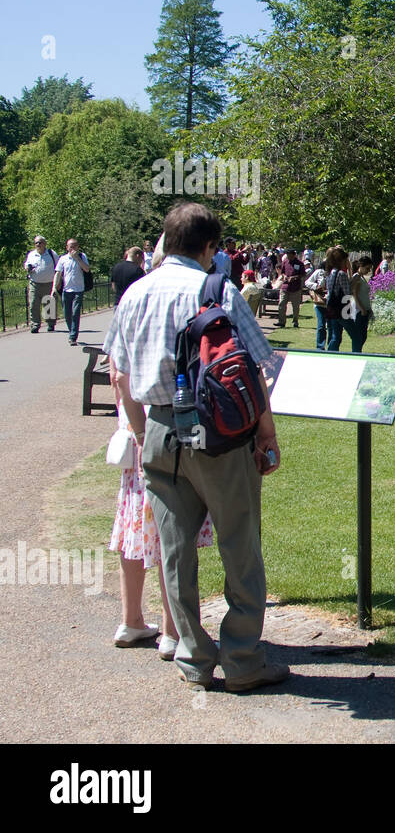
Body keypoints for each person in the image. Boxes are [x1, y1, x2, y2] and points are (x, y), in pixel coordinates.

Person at [103, 201, 289, 693]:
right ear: (210, 247)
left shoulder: (134, 294)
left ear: (166, 240)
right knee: (240, 546)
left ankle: (193, 656)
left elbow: (118, 373)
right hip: (221, 436)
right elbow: (259, 368)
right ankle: (244, 659)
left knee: (175, 551)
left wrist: (143, 434)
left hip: (160, 433)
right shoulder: (218, 291)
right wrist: (266, 436)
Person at [107, 357, 214, 659]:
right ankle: (172, 631)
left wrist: (129, 421)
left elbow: (118, 377)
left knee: (135, 528)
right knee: (171, 528)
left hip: (131, 427)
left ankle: (131, 621)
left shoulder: (127, 314)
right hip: (159, 426)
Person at [55, 239, 92, 345]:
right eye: (71, 246)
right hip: (66, 290)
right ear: (67, 247)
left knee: (75, 313)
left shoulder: (82, 256)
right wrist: (54, 287)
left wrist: (77, 258)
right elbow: (58, 273)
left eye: (75, 246)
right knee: (67, 314)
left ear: (78, 247)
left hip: (78, 290)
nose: (73, 248)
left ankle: (73, 336)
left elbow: (86, 269)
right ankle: (72, 330)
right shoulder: (63, 259)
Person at [24, 235, 59, 333]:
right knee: (33, 304)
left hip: (49, 283)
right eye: (36, 243)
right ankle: (35, 324)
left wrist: (57, 283)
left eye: (40, 242)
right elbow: (26, 265)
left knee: (49, 304)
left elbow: (58, 267)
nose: (38, 244)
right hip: (34, 284)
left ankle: (51, 324)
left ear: (45, 243)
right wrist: (28, 268)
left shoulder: (51, 254)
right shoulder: (31, 254)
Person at [342, 256, 374, 352]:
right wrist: (362, 309)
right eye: (367, 268)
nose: (368, 271)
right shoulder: (357, 277)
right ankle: (356, 353)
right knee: (359, 337)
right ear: (361, 266)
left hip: (364, 309)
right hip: (359, 310)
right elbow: (354, 294)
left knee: (362, 336)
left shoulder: (361, 277)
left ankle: (357, 352)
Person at [321, 246, 349, 351]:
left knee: (332, 332)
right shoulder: (341, 274)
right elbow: (347, 293)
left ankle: (331, 352)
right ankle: (331, 353)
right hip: (339, 308)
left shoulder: (330, 272)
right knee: (337, 336)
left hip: (330, 306)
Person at [276, 248, 306, 329]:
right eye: (287, 255)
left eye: (289, 255)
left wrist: (295, 277)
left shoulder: (299, 263)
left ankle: (295, 321)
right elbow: (282, 272)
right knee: (281, 304)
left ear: (293, 255)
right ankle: (281, 321)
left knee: (295, 306)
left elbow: (303, 274)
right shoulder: (285, 262)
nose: (288, 256)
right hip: (285, 287)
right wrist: (284, 276)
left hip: (295, 287)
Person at [303, 255, 328, 350]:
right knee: (321, 325)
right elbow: (307, 282)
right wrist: (316, 286)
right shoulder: (319, 272)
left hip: (330, 302)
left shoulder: (334, 273)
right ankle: (320, 347)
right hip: (320, 302)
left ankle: (330, 347)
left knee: (330, 326)